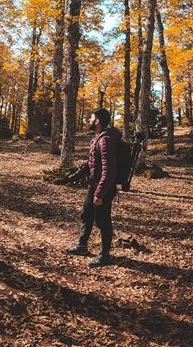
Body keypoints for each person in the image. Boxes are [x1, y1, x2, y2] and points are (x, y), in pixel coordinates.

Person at [66, 107, 122, 267]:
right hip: (95, 186)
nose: (89, 121)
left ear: (97, 121)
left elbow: (109, 169)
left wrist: (100, 194)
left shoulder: (105, 140)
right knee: (86, 215)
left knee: (103, 221)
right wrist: (73, 176)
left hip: (103, 188)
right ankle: (82, 246)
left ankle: (105, 254)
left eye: (91, 118)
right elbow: (92, 163)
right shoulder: (98, 138)